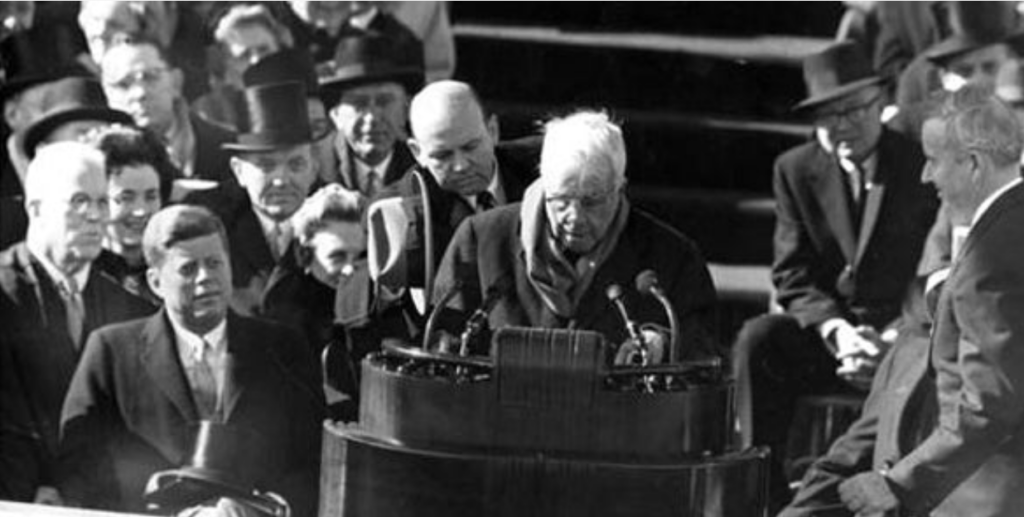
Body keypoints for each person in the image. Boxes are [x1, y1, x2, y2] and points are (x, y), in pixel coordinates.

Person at [731, 41, 939, 510]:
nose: (841, 126)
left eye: (853, 110)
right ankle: (758, 494)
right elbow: (792, 273)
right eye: (827, 117)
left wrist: (892, 337)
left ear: (881, 103)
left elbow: (936, 266)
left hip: (901, 338)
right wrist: (838, 332)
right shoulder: (796, 169)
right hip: (835, 340)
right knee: (757, 340)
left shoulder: (918, 163)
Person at [827, 83, 1024, 517]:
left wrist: (897, 483)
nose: (924, 176)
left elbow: (987, 405)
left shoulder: (990, 256)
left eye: (933, 161)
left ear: (973, 163)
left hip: (986, 496)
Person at [58, 204, 324, 516]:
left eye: (215, 263)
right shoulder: (111, 351)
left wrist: (266, 507)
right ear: (156, 282)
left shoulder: (282, 347)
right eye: (188, 268)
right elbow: (79, 464)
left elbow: (315, 458)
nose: (205, 278)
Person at [430, 110, 718, 362]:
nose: (575, 217)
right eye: (561, 200)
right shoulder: (481, 240)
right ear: (543, 182)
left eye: (591, 201)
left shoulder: (672, 258)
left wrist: (664, 343)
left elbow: (704, 350)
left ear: (620, 188)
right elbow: (440, 343)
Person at [0, 142, 154, 504]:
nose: (96, 215)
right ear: (35, 207)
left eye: (103, 202)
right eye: (78, 201)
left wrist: (70, 490)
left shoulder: (130, 309)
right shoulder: (2, 292)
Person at [368, 80, 539, 334]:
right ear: (417, 152)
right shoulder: (404, 209)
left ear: (492, 130)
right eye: (442, 156)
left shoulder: (543, 169)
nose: (461, 165)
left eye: (471, 147)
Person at [197, 80, 320, 316]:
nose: (281, 180)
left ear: (314, 168)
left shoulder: (338, 216)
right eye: (266, 166)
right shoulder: (215, 226)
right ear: (238, 171)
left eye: (295, 164)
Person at [99, 39, 236, 192]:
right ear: (106, 94)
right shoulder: (97, 160)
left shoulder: (229, 147)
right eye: (123, 84)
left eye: (150, 77)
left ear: (176, 82)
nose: (140, 93)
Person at [891, 2, 1023, 140]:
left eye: (990, 67)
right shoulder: (916, 79)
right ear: (944, 72)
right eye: (964, 72)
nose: (978, 80)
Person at [318, 30, 423, 197]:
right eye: (359, 103)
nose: (372, 117)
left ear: (405, 110)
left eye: (384, 102)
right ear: (335, 114)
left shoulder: (423, 170)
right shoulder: (314, 168)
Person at [85, 124, 175, 305]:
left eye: (151, 196)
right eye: (126, 198)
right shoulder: (81, 275)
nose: (141, 211)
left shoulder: (174, 267)